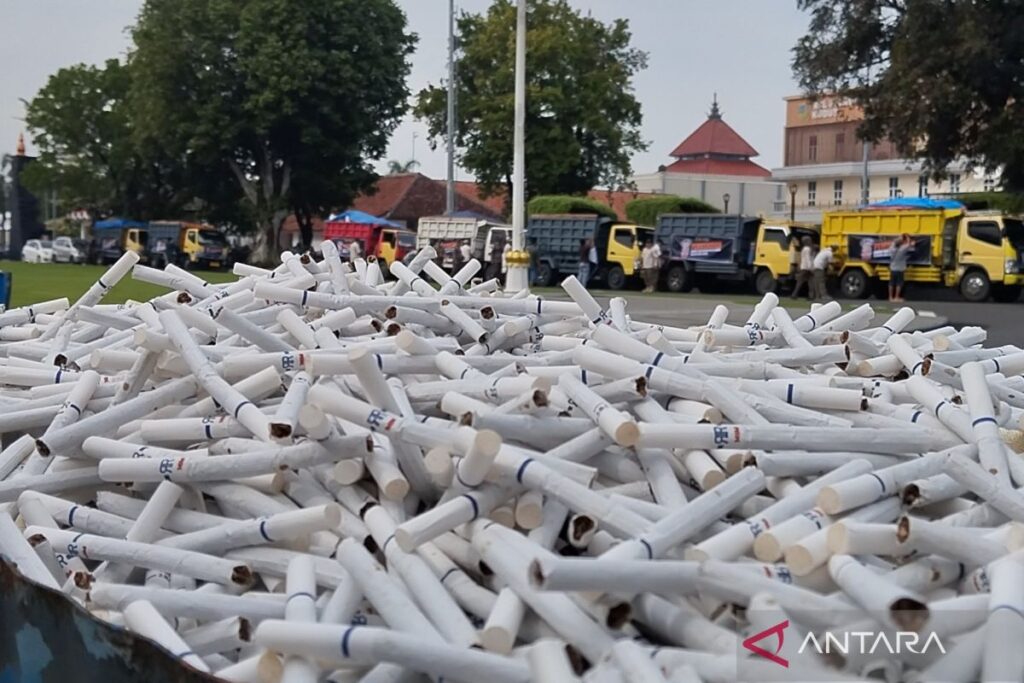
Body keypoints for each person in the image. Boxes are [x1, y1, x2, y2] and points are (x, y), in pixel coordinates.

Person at [888, 233, 913, 302]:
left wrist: (899, 238)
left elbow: (894, 242)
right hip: (900, 268)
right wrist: (907, 237)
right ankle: (896, 297)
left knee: (891, 283)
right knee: (899, 283)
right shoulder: (902, 249)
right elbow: (909, 244)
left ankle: (890, 297)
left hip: (892, 267)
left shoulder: (892, 249)